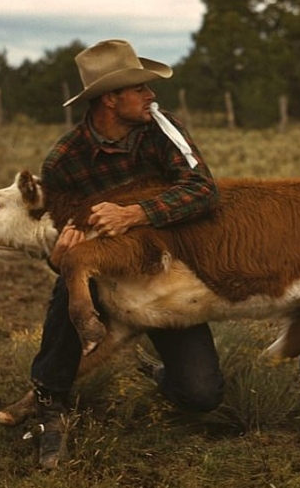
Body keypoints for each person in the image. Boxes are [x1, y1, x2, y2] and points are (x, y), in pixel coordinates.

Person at [31, 39, 224, 468]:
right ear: (111, 99)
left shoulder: (159, 129)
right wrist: (59, 256)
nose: (151, 95)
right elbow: (56, 235)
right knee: (69, 290)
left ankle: (159, 374)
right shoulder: (64, 161)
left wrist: (136, 213)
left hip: (163, 277)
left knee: (203, 395)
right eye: (140, 88)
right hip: (102, 276)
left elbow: (205, 190)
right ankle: (49, 406)